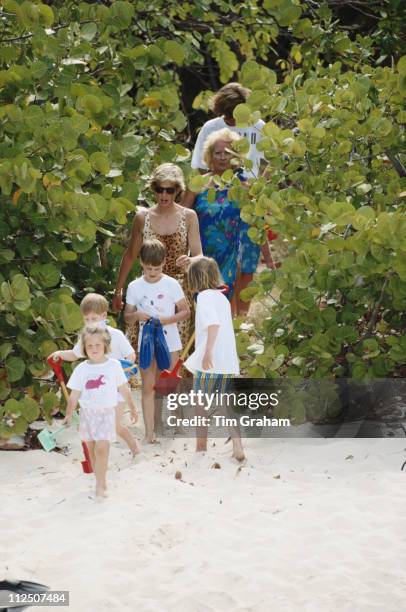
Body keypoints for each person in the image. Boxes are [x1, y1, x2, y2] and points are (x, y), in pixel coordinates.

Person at [112, 163, 202, 351]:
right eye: (160, 189)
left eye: (169, 190)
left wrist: (190, 260)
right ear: (154, 189)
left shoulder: (189, 216)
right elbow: (130, 255)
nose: (164, 195)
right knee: (145, 347)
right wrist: (118, 291)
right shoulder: (142, 217)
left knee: (177, 349)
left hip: (178, 290)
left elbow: (199, 255)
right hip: (147, 288)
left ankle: (172, 381)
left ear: (177, 190)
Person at [184, 128, 272, 313]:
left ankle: (236, 335)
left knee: (233, 309)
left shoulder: (245, 186)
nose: (223, 157)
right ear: (210, 156)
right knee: (205, 306)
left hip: (237, 254)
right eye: (218, 153)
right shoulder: (198, 184)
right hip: (205, 253)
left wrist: (269, 258)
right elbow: (182, 217)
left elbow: (258, 223)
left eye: (228, 153)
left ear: (236, 156)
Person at [48, 293, 140, 457]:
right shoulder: (86, 337)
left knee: (115, 426)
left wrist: (124, 366)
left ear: (104, 316)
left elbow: (131, 356)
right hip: (98, 392)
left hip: (117, 389)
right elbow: (75, 354)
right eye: (87, 319)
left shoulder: (116, 335)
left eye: (94, 318)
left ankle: (135, 448)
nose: (90, 323)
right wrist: (59, 354)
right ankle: (98, 458)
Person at [124, 239, 190, 443]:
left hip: (170, 341)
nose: (153, 272)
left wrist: (165, 320)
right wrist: (137, 316)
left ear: (163, 264)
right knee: (148, 387)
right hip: (147, 343)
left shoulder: (171, 284)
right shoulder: (134, 286)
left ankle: (178, 425)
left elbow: (186, 311)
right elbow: (127, 316)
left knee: (170, 384)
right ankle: (150, 432)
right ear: (142, 263)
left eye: (157, 268)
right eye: (149, 268)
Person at [63, 326, 138, 500]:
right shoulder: (81, 369)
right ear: (84, 348)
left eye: (98, 345)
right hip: (87, 415)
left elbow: (124, 389)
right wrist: (68, 413)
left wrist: (133, 407)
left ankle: (100, 482)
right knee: (91, 450)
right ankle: (99, 477)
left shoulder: (114, 366)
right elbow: (74, 395)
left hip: (106, 413)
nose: (94, 348)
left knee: (102, 448)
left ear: (105, 345)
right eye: (90, 346)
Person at [184, 257, 245, 461]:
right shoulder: (222, 298)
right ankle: (237, 444)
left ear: (195, 279)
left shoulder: (204, 298)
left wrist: (208, 351)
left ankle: (201, 448)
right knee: (227, 403)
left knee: (200, 403)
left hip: (210, 360)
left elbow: (213, 325)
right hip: (228, 360)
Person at [191, 82, 265, 179]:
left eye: (236, 115)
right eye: (228, 115)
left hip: (251, 188)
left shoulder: (258, 126)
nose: (233, 120)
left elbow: (270, 162)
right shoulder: (210, 127)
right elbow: (200, 165)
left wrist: (261, 184)